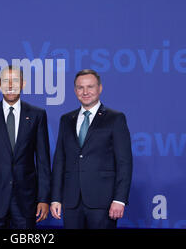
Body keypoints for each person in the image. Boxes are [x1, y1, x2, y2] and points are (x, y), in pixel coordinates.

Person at [50, 69, 133, 229]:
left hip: (103, 201)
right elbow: (60, 160)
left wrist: (119, 199)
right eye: (80, 88)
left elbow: (124, 162)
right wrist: (55, 198)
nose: (85, 92)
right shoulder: (66, 119)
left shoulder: (115, 118)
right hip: (71, 202)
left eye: (90, 87)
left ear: (100, 88)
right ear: (75, 91)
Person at [0, 65, 51, 229]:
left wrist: (44, 198)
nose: (10, 86)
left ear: (23, 84)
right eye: (6, 81)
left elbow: (43, 161)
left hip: (26, 201)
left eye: (15, 81)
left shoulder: (37, 115)